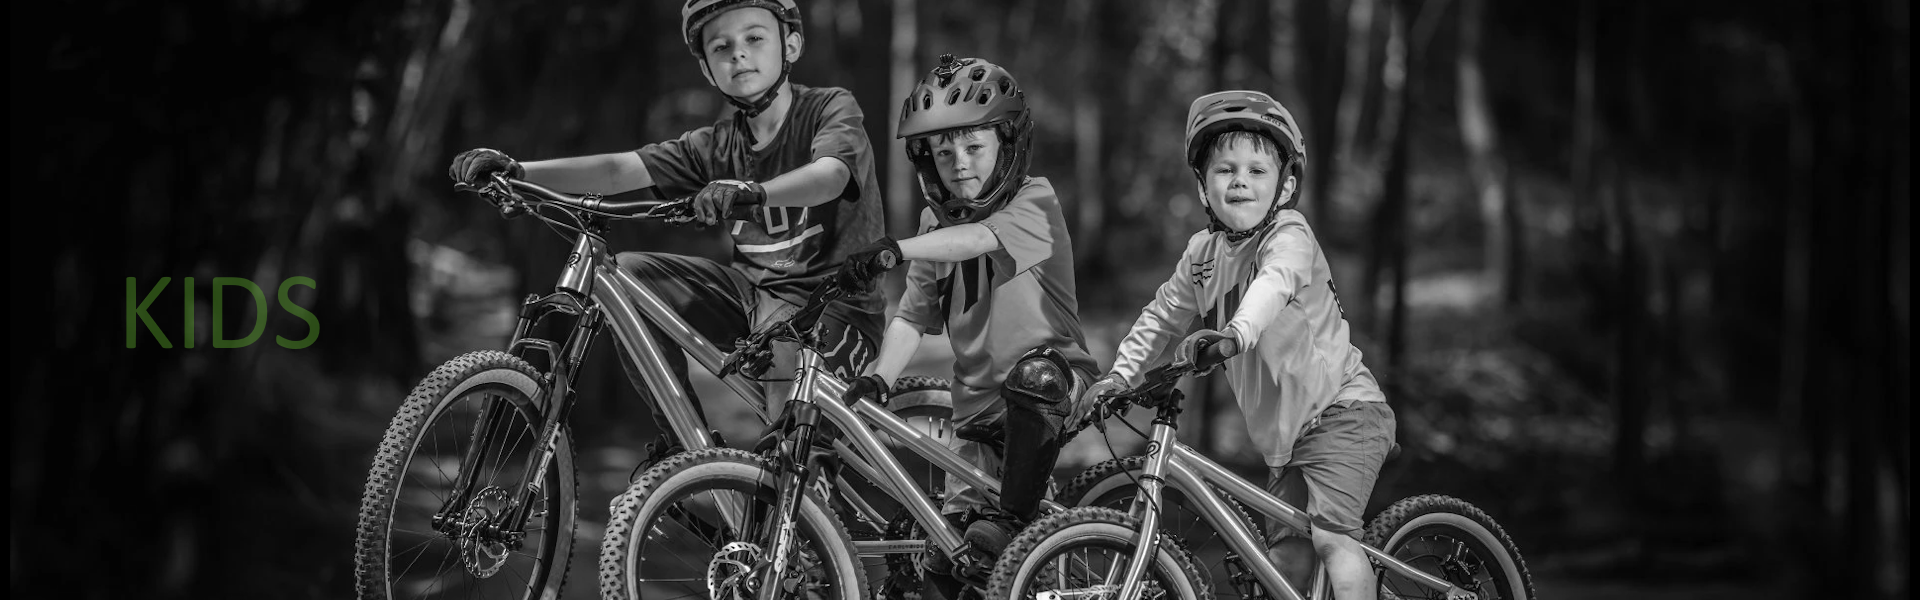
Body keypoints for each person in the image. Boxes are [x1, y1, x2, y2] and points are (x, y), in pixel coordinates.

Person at [446, 0, 887, 455]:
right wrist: (519, 171)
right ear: (708, 71)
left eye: (755, 38)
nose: (739, 54)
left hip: (834, 307)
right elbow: (620, 170)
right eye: (722, 47)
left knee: (790, 443)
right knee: (629, 274)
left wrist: (755, 192)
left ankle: (802, 497)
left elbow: (830, 176)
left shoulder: (829, 107)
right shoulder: (714, 145)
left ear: (791, 45)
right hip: (752, 301)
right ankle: (688, 450)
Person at [1076, 90, 1398, 600]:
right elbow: (1161, 316)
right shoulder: (1202, 255)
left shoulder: (1289, 236)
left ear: (1285, 185)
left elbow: (1274, 284)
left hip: (1344, 412)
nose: (1241, 181)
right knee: (1287, 564)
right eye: (1225, 170)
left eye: (1257, 170)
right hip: (1286, 440)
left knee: (1334, 538)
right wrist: (1120, 375)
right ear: (1203, 188)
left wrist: (1234, 336)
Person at [834, 54, 1098, 596]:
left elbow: (977, 240)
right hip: (977, 413)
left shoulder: (1036, 201)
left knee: (1036, 382)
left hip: (1054, 391)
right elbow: (911, 317)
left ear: (1007, 146)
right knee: (951, 567)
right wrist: (879, 378)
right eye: (943, 150)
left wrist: (896, 248)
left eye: (975, 147)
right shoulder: (936, 224)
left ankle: (1014, 525)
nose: (959, 162)